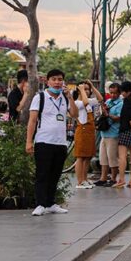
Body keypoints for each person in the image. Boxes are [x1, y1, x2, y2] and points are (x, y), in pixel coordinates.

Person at [25, 69, 78, 216]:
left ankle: (51, 203)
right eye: (54, 79)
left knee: (55, 174)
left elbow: (74, 115)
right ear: (48, 81)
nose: (57, 82)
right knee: (42, 174)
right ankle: (40, 204)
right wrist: (29, 142)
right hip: (43, 141)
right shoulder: (40, 97)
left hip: (61, 143)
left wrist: (70, 98)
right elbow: (32, 120)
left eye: (60, 79)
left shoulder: (65, 98)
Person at [71, 80, 100, 189]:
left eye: (88, 89)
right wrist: (82, 89)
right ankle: (79, 181)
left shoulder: (88, 101)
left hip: (90, 131)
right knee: (80, 157)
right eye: (85, 89)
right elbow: (85, 102)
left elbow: (100, 99)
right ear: (79, 91)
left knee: (87, 157)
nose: (87, 91)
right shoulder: (77, 102)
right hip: (82, 131)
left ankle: (85, 179)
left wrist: (92, 86)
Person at [97, 88, 123, 187]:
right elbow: (103, 113)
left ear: (119, 93)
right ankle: (103, 178)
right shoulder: (108, 101)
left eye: (115, 93)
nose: (112, 95)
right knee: (103, 158)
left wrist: (108, 114)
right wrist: (103, 110)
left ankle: (113, 179)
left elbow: (119, 118)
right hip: (104, 133)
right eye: (111, 93)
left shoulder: (121, 104)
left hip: (113, 134)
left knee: (112, 158)